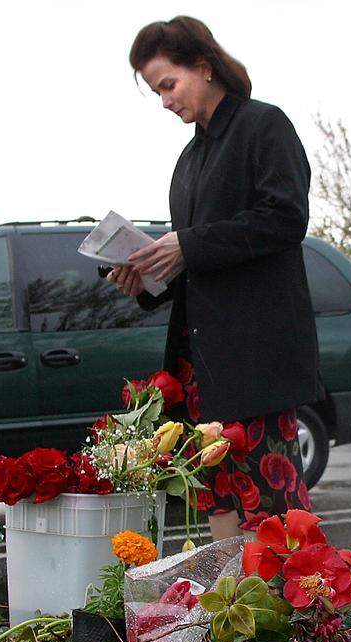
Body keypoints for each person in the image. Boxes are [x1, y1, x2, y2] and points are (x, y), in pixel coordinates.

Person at [110, 15, 321, 540]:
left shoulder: (263, 126)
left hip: (254, 354)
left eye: (168, 84)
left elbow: (286, 218)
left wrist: (188, 245)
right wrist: (148, 277)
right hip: (200, 361)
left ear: (203, 67)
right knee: (217, 494)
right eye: (157, 90)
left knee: (274, 505)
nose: (164, 101)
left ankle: (304, 616)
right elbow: (193, 262)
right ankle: (234, 610)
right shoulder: (189, 159)